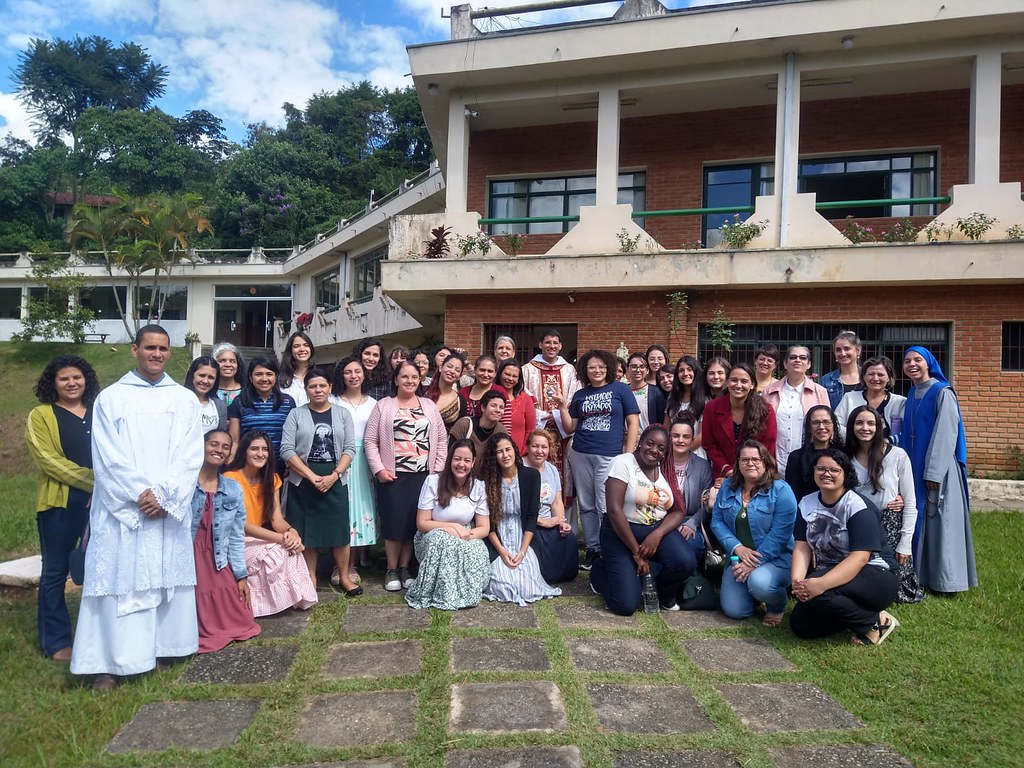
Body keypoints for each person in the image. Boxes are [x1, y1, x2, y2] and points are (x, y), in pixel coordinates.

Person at [70, 325, 204, 690]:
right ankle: (108, 662)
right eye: (150, 348)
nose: (157, 354)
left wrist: (164, 495)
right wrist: (139, 494)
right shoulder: (111, 398)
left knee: (163, 572)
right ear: (135, 350)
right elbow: (106, 456)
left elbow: (191, 455)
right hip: (123, 511)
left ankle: (162, 648)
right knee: (118, 577)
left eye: (163, 348)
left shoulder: (184, 400)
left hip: (166, 508)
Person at [26, 354, 99, 662]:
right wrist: (97, 481)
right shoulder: (41, 415)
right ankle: (56, 642)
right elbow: (48, 460)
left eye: (77, 377)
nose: (72, 383)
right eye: (64, 378)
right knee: (56, 571)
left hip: (100, 505)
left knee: (98, 569)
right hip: (61, 504)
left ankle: (96, 635)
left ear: (86, 380)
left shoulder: (98, 410)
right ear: (53, 383)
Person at [790, 449, 899, 645]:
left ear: (845, 474)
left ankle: (875, 623)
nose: (826, 473)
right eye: (821, 468)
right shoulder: (806, 503)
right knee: (801, 625)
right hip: (835, 571)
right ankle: (853, 615)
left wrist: (821, 584)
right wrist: (798, 582)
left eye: (834, 470)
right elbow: (802, 546)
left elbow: (860, 558)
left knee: (818, 591)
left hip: (877, 576)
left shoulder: (858, 506)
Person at [590, 425, 696, 615]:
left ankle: (663, 593)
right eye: (650, 443)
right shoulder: (623, 462)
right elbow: (614, 510)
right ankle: (599, 570)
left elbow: (678, 511)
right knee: (626, 605)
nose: (654, 450)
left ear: (666, 452)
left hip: (654, 531)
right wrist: (636, 553)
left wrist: (658, 533)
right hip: (620, 533)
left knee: (685, 561)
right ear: (641, 442)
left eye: (661, 448)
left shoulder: (665, 469)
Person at [554, 349, 641, 570]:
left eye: (601, 366)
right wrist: (563, 406)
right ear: (585, 370)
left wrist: (629, 454)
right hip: (580, 453)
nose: (597, 370)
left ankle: (609, 548)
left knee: (606, 505)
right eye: (592, 367)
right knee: (586, 504)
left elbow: (633, 423)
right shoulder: (580, 394)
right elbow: (570, 427)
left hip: (610, 455)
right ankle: (593, 548)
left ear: (608, 368)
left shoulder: (621, 389)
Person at [365, 360, 448, 592]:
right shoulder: (383, 405)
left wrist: (437, 469)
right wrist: (379, 469)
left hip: (423, 476)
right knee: (394, 523)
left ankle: (405, 568)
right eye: (404, 377)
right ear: (396, 380)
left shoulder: (428, 405)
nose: (410, 381)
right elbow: (370, 441)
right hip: (393, 476)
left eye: (414, 377)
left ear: (420, 380)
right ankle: (391, 569)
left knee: (414, 523)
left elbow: (442, 438)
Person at [899, 346, 977, 593]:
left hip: (939, 469)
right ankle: (921, 575)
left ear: (929, 363)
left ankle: (947, 580)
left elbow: (946, 433)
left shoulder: (942, 391)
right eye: (907, 361)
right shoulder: (912, 392)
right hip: (915, 465)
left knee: (941, 524)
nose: (912, 364)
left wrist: (933, 472)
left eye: (917, 360)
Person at [280, 368, 360, 596]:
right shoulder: (296, 414)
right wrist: (310, 475)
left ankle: (344, 576)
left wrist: (334, 475)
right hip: (303, 481)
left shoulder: (342, 414)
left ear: (330, 388)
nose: (318, 390)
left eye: (322, 385)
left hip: (335, 480)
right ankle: (310, 577)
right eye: (312, 386)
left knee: (339, 530)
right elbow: (286, 449)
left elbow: (349, 448)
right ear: (306, 390)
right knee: (307, 531)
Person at [224, 431, 317, 617]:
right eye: (254, 449)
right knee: (276, 552)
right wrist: (281, 538)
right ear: (244, 451)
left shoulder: (272, 479)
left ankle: (288, 600)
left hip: (255, 539)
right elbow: (241, 525)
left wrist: (292, 532)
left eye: (264, 449)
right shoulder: (230, 478)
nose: (260, 454)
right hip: (234, 541)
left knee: (292, 549)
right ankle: (256, 606)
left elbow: (277, 519)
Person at [189, 430, 260, 653]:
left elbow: (237, 536)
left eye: (225, 447)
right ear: (201, 446)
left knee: (244, 620)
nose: (219, 450)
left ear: (230, 454)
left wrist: (241, 575)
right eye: (213, 444)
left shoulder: (232, 488)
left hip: (218, 553)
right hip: (189, 554)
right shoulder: (185, 483)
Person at [711, 440, 796, 626]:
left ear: (766, 462)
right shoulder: (727, 487)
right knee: (735, 611)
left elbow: (780, 535)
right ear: (738, 463)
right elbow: (716, 522)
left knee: (759, 583)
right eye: (745, 459)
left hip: (777, 559)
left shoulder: (782, 491)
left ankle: (777, 605)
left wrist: (753, 563)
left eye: (756, 459)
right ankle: (755, 595)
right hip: (738, 559)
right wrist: (737, 547)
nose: (750, 463)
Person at [845, 405, 924, 603]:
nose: (865, 428)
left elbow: (910, 503)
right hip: (859, 524)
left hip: (890, 525)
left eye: (871, 423)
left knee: (899, 588)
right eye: (859, 423)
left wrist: (905, 544)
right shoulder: (846, 457)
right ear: (851, 426)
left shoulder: (897, 455)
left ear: (879, 427)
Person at [405, 439, 491, 610]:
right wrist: (450, 528)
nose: (461, 464)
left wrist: (464, 535)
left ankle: (467, 594)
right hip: (432, 534)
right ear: (450, 459)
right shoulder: (433, 482)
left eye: (467, 460)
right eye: (457, 459)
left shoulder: (479, 487)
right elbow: (422, 523)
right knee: (444, 542)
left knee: (477, 549)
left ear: (473, 462)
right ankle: (444, 594)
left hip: (465, 533)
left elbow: (484, 528)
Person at [479, 434, 561, 605]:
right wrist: (502, 552)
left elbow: (531, 517)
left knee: (527, 588)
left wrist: (523, 551)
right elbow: (489, 522)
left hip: (523, 535)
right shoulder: (489, 480)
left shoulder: (531, 476)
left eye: (508, 449)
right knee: (503, 588)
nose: (505, 455)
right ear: (494, 456)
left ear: (515, 451)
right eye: (499, 452)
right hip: (498, 536)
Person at [330, 355, 379, 586]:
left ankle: (352, 564)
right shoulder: (333, 401)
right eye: (348, 372)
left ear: (364, 374)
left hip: (365, 461)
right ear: (342, 376)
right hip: (339, 458)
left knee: (361, 511)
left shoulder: (374, 404)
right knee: (341, 510)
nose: (353, 376)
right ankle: (338, 566)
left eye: (357, 371)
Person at [521, 328, 581, 489]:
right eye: (548, 342)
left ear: (560, 346)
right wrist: (541, 415)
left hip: (563, 430)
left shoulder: (569, 370)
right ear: (540, 344)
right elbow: (524, 395)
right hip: (537, 427)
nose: (552, 346)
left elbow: (575, 396)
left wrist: (558, 414)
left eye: (555, 343)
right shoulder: (527, 369)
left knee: (563, 475)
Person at [702, 363, 777, 484]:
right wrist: (728, 470)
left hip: (756, 475)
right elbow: (709, 444)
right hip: (723, 476)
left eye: (744, 381)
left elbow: (768, 446)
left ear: (752, 385)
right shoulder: (712, 407)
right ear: (727, 382)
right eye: (734, 380)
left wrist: (747, 472)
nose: (738, 385)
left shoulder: (765, 410)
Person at [763, 345, 830, 476]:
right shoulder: (769, 391)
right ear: (785, 363)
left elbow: (828, 427)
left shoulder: (820, 392)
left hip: (809, 461)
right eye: (793, 357)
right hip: (775, 460)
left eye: (803, 358)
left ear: (809, 364)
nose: (797, 360)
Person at [523, 429, 579, 583]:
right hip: (528, 524)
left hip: (549, 522)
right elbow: (517, 507)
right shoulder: (519, 468)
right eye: (535, 446)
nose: (539, 451)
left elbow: (556, 502)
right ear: (527, 446)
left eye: (544, 447)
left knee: (568, 539)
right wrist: (542, 522)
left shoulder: (552, 470)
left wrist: (561, 522)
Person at [226, 356, 297, 470]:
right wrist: (230, 466)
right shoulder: (240, 402)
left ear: (276, 377)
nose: (264, 379)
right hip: (248, 466)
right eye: (258, 374)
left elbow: (293, 439)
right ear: (250, 377)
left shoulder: (288, 402)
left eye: (269, 374)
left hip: (280, 467)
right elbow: (234, 441)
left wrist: (291, 466)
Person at [663, 413, 713, 545]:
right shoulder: (659, 463)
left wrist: (692, 523)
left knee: (690, 544)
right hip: (662, 520)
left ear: (692, 440)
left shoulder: (703, 466)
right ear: (669, 437)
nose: (680, 440)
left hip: (691, 520)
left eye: (686, 437)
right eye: (676, 436)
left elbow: (707, 504)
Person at [835, 355, 907, 443]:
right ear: (863, 377)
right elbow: (837, 424)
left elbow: (906, 431)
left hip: (889, 449)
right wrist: (856, 440)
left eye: (880, 375)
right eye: (871, 374)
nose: (875, 378)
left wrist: (884, 444)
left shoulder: (900, 402)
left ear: (889, 378)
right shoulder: (849, 398)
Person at [784, 405, 842, 502]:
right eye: (816, 423)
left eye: (826, 422)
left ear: (833, 425)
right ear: (809, 427)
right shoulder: (797, 457)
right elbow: (793, 494)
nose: (821, 427)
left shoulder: (843, 454)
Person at [449, 389, 509, 456]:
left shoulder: (502, 431)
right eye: (493, 406)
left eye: (501, 407)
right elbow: (450, 454)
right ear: (483, 407)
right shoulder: (464, 425)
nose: (498, 410)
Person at [497, 358, 536, 452]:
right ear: (500, 374)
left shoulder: (525, 399)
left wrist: (523, 451)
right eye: (507, 374)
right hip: (493, 453)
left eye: (514, 376)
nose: (510, 379)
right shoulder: (490, 395)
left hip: (518, 454)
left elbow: (530, 430)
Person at [424, 351, 468, 431]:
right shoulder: (423, 392)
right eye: (449, 366)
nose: (452, 371)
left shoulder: (461, 400)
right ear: (440, 368)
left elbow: (460, 431)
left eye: (457, 370)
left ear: (459, 376)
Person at [820, 330, 864, 410]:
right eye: (838, 350)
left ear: (858, 350)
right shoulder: (826, 380)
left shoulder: (868, 377)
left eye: (847, 349)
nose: (843, 353)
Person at [184, 355, 227, 434]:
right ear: (192, 375)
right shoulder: (178, 400)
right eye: (202, 375)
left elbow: (221, 435)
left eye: (211, 377)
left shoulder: (220, 406)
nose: (205, 381)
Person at [626, 352, 667, 430]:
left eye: (642, 367)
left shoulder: (657, 393)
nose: (638, 370)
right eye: (634, 366)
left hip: (649, 436)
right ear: (627, 369)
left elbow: (661, 421)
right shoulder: (622, 391)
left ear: (647, 370)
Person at [459, 354, 508, 419]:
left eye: (490, 371)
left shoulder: (500, 392)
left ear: (495, 373)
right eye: (482, 370)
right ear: (475, 370)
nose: (485, 375)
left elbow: (506, 421)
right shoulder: (463, 392)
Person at [279, 331, 315, 406]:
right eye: (296, 346)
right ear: (290, 351)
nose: (302, 349)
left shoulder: (318, 378)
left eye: (306, 345)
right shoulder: (280, 380)